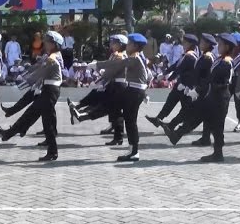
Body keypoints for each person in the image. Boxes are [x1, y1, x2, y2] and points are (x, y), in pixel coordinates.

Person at [162, 33, 236, 162]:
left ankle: (218, 154)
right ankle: (177, 135)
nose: (218, 46)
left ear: (227, 46)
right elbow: (209, 78)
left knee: (217, 126)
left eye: (221, 44)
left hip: (219, 97)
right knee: (198, 115)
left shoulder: (226, 62)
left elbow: (217, 81)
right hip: (212, 95)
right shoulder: (220, 59)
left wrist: (198, 90)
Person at [0, 31, 64, 161]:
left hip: (50, 90)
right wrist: (24, 71)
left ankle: (52, 152)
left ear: (54, 44)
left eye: (48, 41)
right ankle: (9, 133)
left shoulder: (53, 58)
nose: (45, 43)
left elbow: (39, 73)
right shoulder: (50, 56)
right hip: (47, 89)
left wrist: (22, 84)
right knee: (31, 113)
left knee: (48, 122)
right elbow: (37, 67)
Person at [88, 33, 152, 161]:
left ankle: (134, 152)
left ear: (135, 46)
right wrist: (143, 93)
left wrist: (97, 65)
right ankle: (133, 151)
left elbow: (116, 65)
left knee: (129, 121)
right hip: (134, 91)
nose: (126, 46)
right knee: (128, 120)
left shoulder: (134, 59)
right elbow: (146, 76)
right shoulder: (137, 57)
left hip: (134, 92)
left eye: (128, 44)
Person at [68, 34, 128, 145]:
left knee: (114, 111)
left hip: (119, 85)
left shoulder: (120, 56)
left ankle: (82, 115)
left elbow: (112, 70)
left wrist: (101, 79)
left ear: (120, 44)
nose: (111, 44)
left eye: (113, 42)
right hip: (113, 84)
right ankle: (81, 113)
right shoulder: (116, 55)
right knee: (111, 109)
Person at [145, 34, 198, 131]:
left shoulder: (190, 56)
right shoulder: (185, 54)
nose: (183, 44)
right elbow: (175, 65)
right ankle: (159, 118)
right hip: (180, 84)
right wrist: (165, 73)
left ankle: (182, 126)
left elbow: (179, 69)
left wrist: (167, 78)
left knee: (186, 108)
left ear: (191, 44)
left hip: (186, 86)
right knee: (170, 101)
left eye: (185, 42)